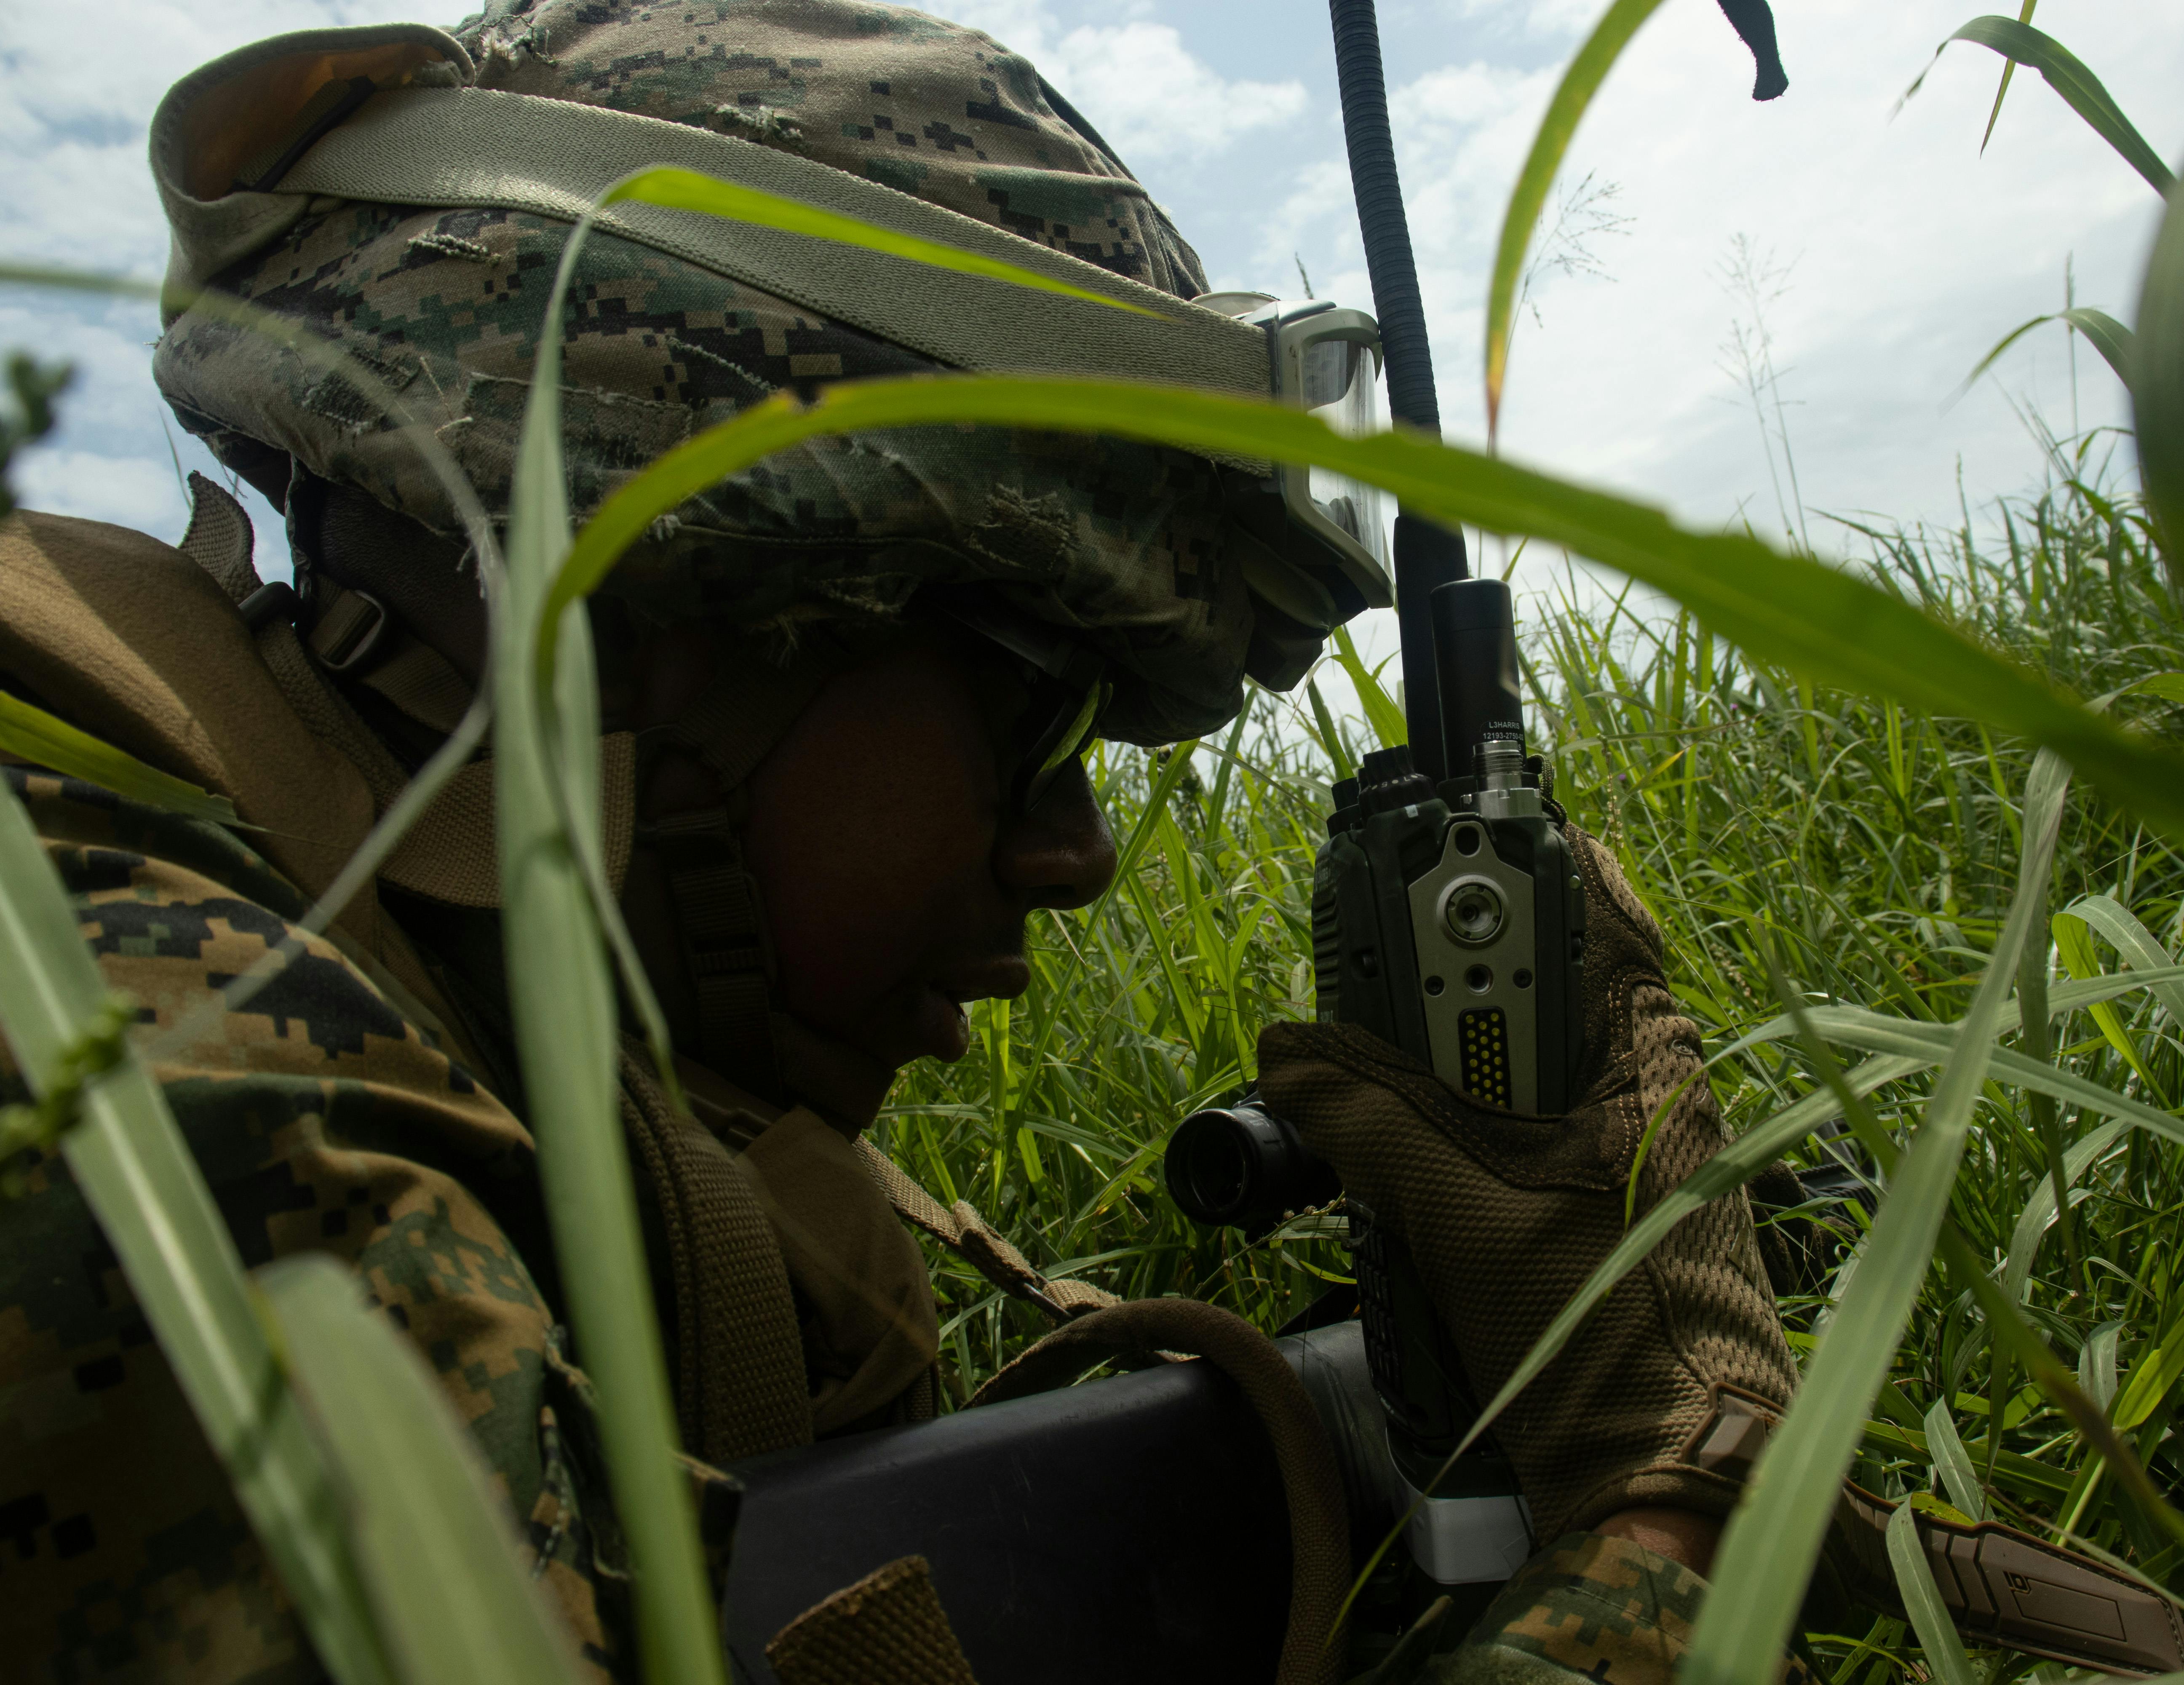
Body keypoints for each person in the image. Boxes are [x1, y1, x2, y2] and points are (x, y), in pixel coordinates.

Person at [0, 4, 1799, 1681]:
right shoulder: (148, 1092)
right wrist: (1675, 1520)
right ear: (649, 592)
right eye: (1037, 711)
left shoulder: (559, 1094)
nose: (1076, 852)